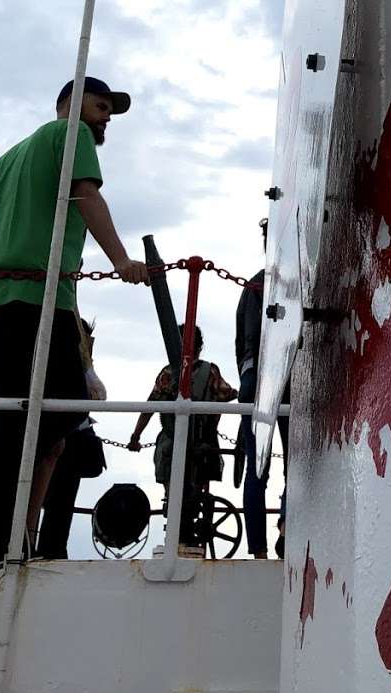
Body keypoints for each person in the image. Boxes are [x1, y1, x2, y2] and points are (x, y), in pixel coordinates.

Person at [0, 76, 149, 561]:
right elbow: (87, 196)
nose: (105, 116)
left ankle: (9, 532)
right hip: (39, 301)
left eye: (110, 109)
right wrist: (122, 261)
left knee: (21, 410)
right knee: (60, 406)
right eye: (100, 105)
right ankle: (4, 528)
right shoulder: (72, 135)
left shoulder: (3, 163)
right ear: (69, 104)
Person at [127, 326, 235, 554]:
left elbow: (150, 406)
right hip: (203, 445)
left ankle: (175, 530)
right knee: (195, 486)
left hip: (172, 443)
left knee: (172, 490)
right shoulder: (210, 372)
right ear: (200, 346)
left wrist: (136, 437)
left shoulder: (168, 374)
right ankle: (187, 526)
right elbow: (227, 395)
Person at [235, 218, 289, 559]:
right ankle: (287, 525)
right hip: (290, 382)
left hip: (253, 383)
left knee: (257, 472)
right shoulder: (295, 285)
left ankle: (257, 550)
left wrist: (247, 381)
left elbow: (241, 344)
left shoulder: (252, 286)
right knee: (298, 466)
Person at [36, 319, 108, 561]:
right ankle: (50, 549)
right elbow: (95, 398)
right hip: (66, 437)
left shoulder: (67, 360)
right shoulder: (73, 363)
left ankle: (43, 547)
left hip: (66, 438)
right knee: (59, 501)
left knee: (56, 500)